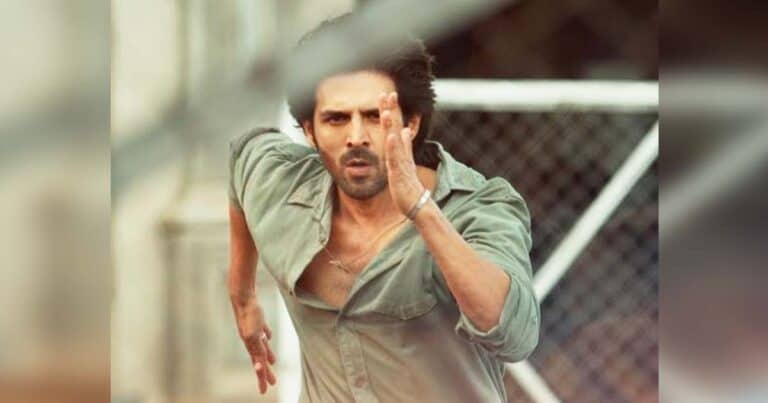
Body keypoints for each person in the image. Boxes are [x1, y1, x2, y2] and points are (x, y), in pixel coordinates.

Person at [227, 13, 539, 403]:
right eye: (336, 119)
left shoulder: (478, 207)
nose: (356, 137)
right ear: (309, 130)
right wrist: (243, 297)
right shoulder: (280, 184)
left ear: (411, 124)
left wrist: (423, 211)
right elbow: (242, 158)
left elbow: (514, 335)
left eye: (375, 116)